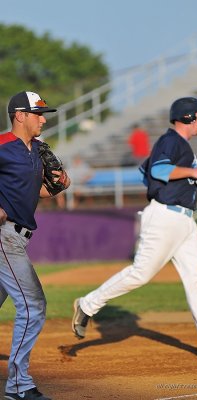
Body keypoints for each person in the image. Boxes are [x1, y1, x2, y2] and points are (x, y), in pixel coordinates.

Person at [72, 97, 197, 358]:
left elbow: (146, 170)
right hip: (166, 216)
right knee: (141, 273)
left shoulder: (178, 145)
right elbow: (159, 171)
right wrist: (193, 174)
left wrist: (187, 177)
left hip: (185, 219)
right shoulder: (171, 140)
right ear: (186, 117)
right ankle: (87, 304)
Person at [0, 91, 70, 400]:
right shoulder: (3, 146)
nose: (43, 118)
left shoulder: (37, 150)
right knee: (33, 306)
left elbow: (40, 190)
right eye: (37, 113)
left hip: (18, 237)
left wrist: (59, 184)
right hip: (3, 237)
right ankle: (18, 386)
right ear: (20, 115)